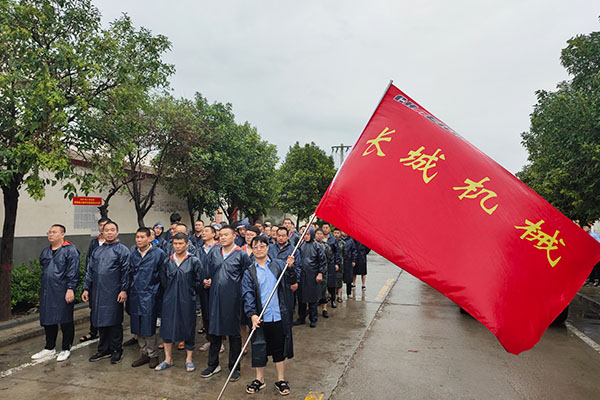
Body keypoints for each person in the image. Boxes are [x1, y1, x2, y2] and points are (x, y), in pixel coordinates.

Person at [242, 235, 296, 395]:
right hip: (260, 317)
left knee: (279, 348)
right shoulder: (249, 272)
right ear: (252, 249)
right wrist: (252, 314)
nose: (259, 249)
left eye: (262, 246)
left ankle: (280, 379)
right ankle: (260, 379)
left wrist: (291, 268)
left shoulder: (279, 265)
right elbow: (247, 294)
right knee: (259, 348)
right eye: (255, 247)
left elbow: (292, 281)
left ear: (267, 247)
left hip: (278, 315)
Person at [201, 225, 252, 381]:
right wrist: (207, 281)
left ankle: (234, 367)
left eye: (226, 235)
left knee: (234, 334)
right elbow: (208, 271)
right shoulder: (214, 252)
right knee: (214, 332)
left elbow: (248, 277)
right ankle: (213, 364)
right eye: (221, 235)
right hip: (215, 298)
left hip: (234, 300)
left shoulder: (241, 255)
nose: (222, 237)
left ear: (234, 236)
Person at [82, 220, 131, 364]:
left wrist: (123, 290)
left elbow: (126, 272)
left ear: (117, 232)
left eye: (112, 230)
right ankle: (103, 349)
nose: (109, 232)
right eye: (106, 230)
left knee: (114, 322)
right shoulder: (97, 250)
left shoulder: (122, 250)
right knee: (100, 321)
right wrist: (86, 288)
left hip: (114, 292)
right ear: (102, 232)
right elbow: (89, 270)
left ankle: (116, 350)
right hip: (97, 292)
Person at [155, 233, 204, 372]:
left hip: (187, 299)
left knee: (188, 327)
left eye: (180, 243)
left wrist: (189, 292)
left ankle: (189, 359)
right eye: (175, 243)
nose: (177, 246)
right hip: (169, 299)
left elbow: (198, 281)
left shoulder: (194, 261)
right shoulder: (167, 261)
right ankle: (168, 359)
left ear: (187, 244)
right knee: (167, 327)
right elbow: (163, 280)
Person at [32, 224, 80, 362]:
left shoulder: (70, 250)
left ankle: (66, 348)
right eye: (49, 232)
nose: (50, 235)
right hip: (48, 290)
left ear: (63, 234)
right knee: (48, 319)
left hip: (63, 290)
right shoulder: (45, 252)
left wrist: (71, 288)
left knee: (65, 319)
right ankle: (49, 347)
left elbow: (73, 271)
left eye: (54, 232)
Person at [128, 227, 166, 369]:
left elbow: (163, 275)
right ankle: (143, 353)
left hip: (151, 295)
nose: (139, 240)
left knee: (148, 326)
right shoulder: (133, 255)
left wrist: (160, 293)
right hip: (136, 294)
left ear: (150, 238)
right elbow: (129, 274)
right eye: (137, 237)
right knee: (137, 326)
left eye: (142, 237)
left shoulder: (158, 254)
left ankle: (153, 354)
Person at [80, 217, 109, 343]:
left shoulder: (114, 244)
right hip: (95, 281)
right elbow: (89, 263)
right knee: (94, 307)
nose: (103, 228)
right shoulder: (94, 243)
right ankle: (93, 331)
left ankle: (106, 332)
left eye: (105, 226)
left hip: (107, 283)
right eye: (101, 225)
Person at [269, 226, 301, 324]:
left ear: (288, 237)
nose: (281, 238)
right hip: (272, 282)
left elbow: (299, 267)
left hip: (287, 283)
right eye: (279, 235)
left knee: (287, 308)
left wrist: (296, 281)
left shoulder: (294, 250)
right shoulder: (270, 248)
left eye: (283, 236)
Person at [294, 227, 326, 328]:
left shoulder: (317, 246)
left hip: (313, 276)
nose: (306, 236)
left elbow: (322, 261)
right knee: (301, 299)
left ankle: (313, 319)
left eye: (308, 234)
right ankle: (301, 318)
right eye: (305, 234)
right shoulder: (300, 245)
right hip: (302, 276)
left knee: (312, 300)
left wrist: (320, 273)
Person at [196, 225, 220, 352]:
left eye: (206, 231)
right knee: (206, 315)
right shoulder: (198, 250)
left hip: (216, 287)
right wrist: (202, 281)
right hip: (203, 286)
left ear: (214, 234)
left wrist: (213, 280)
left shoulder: (219, 248)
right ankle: (209, 340)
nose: (203, 233)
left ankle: (219, 341)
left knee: (216, 313)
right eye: (202, 231)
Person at [314, 228, 332, 318]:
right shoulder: (312, 245)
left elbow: (329, 258)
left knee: (323, 290)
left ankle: (324, 309)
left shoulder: (326, 246)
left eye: (321, 234)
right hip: (313, 271)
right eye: (317, 233)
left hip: (323, 271)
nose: (319, 235)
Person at [332, 228, 346, 306]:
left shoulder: (343, 243)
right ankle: (330, 296)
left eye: (338, 233)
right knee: (331, 280)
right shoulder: (330, 242)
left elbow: (344, 253)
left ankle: (339, 296)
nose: (336, 234)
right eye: (335, 233)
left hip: (340, 263)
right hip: (331, 263)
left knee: (339, 279)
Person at [342, 232, 357, 299]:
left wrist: (353, 260)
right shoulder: (339, 240)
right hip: (341, 261)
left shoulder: (351, 240)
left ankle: (349, 293)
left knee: (349, 278)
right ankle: (338, 293)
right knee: (339, 278)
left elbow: (354, 251)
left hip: (348, 261)